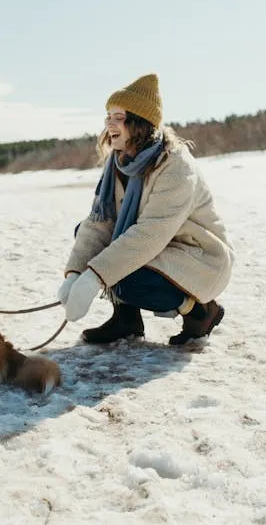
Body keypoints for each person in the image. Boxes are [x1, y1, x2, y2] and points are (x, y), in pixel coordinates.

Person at [57, 73, 235, 346]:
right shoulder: (118, 162)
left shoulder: (175, 165)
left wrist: (94, 277)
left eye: (118, 117)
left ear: (139, 123)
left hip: (195, 255)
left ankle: (200, 311)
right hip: (156, 249)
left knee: (125, 278)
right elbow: (99, 222)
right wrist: (75, 274)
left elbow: (150, 234)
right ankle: (126, 320)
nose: (109, 124)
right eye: (108, 116)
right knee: (87, 236)